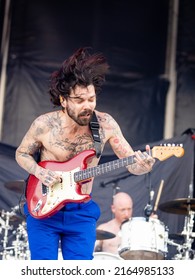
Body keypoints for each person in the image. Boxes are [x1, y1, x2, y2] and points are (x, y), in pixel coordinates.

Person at [15, 47, 155, 260]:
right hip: (42, 209)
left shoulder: (105, 124)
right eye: (79, 100)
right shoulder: (44, 125)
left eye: (91, 99)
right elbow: (22, 154)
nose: (87, 106)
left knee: (80, 272)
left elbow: (131, 163)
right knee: (42, 272)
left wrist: (143, 165)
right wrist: (39, 172)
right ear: (64, 100)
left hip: (80, 212)